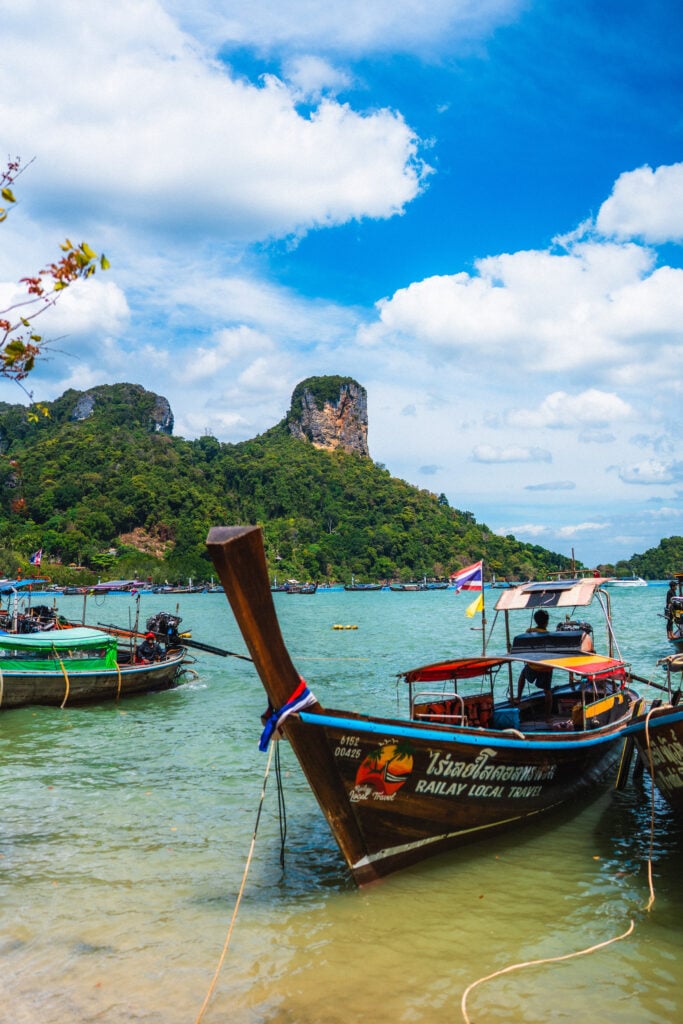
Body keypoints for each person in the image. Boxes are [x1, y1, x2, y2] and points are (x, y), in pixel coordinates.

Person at [516, 609, 554, 715]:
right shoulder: (549, 635)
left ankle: (518, 698)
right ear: (547, 621)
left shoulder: (529, 631)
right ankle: (548, 716)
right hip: (546, 667)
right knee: (547, 690)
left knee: (523, 675)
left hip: (533, 666)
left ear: (535, 620)